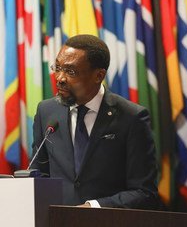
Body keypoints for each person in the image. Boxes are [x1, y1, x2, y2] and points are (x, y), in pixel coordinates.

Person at [31, 34, 159, 209]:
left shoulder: (131, 118)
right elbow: (38, 176)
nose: (60, 78)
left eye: (70, 71)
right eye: (58, 68)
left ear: (98, 75)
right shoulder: (46, 112)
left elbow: (144, 191)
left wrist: (94, 207)